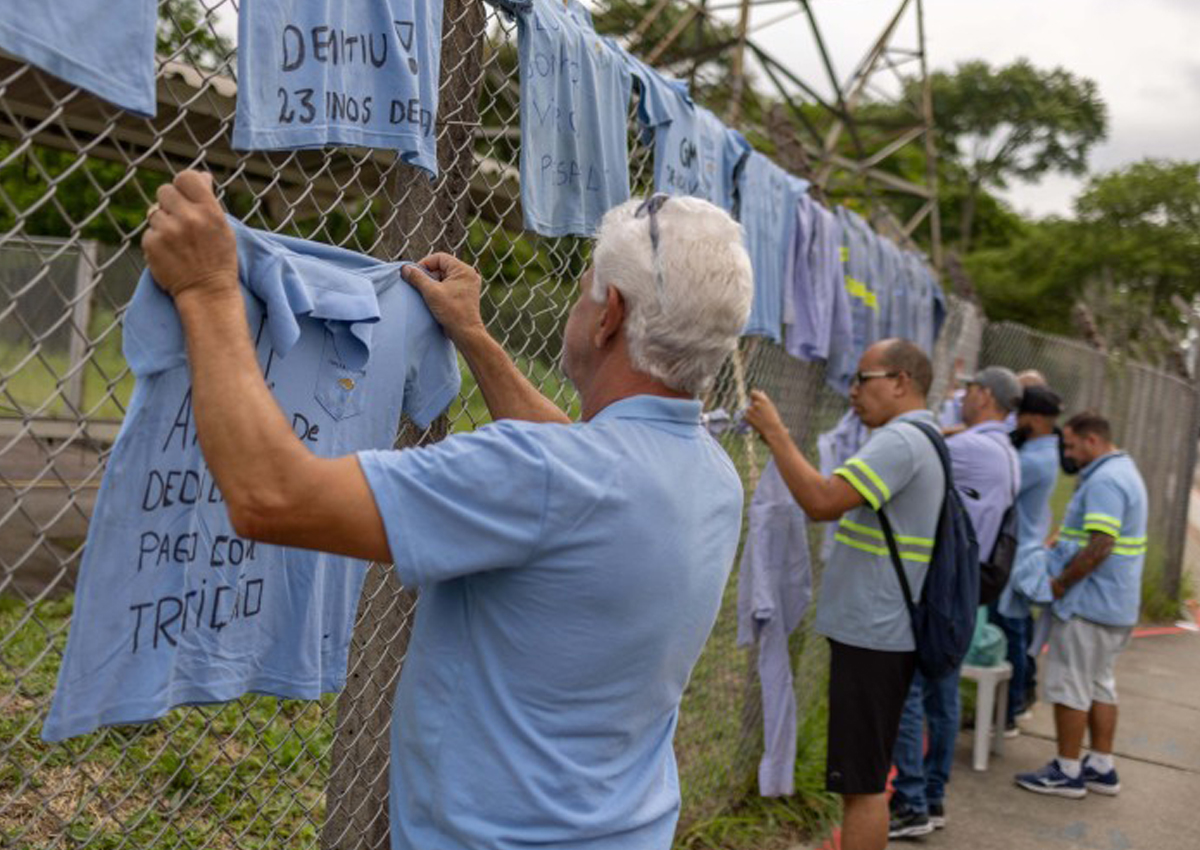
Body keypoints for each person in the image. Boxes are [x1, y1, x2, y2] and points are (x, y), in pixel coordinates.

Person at [141, 173, 755, 849]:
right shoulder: (709, 472)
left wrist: (206, 290)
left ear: (608, 313)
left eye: (584, 292)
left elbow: (271, 496)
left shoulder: (541, 475)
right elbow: (576, 458)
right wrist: (471, 333)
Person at [745, 338, 944, 850]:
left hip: (874, 634)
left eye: (863, 378)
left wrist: (775, 434)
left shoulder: (901, 442)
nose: (852, 391)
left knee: (861, 785)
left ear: (900, 381)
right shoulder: (922, 436)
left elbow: (822, 500)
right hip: (880, 631)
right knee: (863, 777)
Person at [888, 366, 1022, 839]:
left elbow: (910, 444)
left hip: (941, 587)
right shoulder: (1003, 450)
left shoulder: (968, 449)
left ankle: (911, 799)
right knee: (941, 695)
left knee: (907, 692)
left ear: (984, 395)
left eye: (968, 392)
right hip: (970, 587)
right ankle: (933, 794)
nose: (962, 399)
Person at [1015, 412, 1147, 799]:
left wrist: (1059, 584)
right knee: (1099, 683)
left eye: (1071, 445)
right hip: (1115, 604)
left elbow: (1101, 544)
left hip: (1088, 605)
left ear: (1092, 441)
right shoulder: (1124, 472)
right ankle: (1101, 765)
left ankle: (1067, 770)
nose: (1067, 454)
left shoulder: (1105, 481)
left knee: (1070, 684)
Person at [996, 384, 1064, 732]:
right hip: (1023, 550)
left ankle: (1008, 712)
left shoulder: (1034, 459)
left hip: (1016, 556)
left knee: (1010, 635)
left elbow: (999, 476)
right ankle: (1012, 706)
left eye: (1019, 415)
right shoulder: (1042, 450)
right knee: (1015, 631)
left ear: (1035, 419)